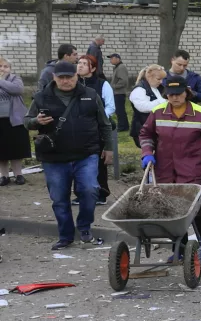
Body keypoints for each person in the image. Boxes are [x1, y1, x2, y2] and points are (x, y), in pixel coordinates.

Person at [25, 61, 113, 250]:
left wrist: (109, 148)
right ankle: (65, 236)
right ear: (54, 78)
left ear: (76, 76)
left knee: (89, 190)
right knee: (59, 198)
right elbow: (26, 121)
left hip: (86, 154)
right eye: (61, 77)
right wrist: (35, 120)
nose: (65, 81)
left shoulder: (90, 95)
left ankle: (84, 228)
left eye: (69, 77)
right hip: (54, 157)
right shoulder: (42, 97)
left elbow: (104, 124)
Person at [140, 77, 201, 248]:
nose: (174, 98)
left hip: (193, 168)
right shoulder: (158, 112)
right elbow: (146, 134)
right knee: (171, 209)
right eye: (171, 95)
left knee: (190, 205)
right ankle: (180, 247)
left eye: (178, 94)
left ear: (186, 93)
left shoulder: (200, 113)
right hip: (165, 169)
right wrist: (147, 153)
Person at [75, 55, 115, 205]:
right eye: (79, 63)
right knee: (77, 161)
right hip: (77, 129)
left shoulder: (102, 84)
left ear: (93, 68)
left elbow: (110, 106)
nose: (80, 66)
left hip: (97, 127)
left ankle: (101, 193)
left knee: (98, 161)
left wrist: (99, 117)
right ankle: (80, 194)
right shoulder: (73, 83)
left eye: (85, 64)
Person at [0, 57, 31, 186]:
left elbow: (16, 90)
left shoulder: (15, 79)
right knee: (1, 151)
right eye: (0, 66)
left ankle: (19, 175)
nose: (2, 69)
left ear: (10, 68)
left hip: (15, 120)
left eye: (5, 66)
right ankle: (4, 176)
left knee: (16, 149)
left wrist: (0, 81)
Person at [129, 64, 166, 147]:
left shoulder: (157, 88)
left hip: (154, 128)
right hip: (143, 129)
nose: (161, 82)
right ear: (149, 77)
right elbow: (143, 107)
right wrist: (162, 102)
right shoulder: (139, 90)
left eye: (162, 79)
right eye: (158, 79)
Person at [108, 53, 130, 132]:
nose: (110, 60)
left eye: (112, 58)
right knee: (120, 110)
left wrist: (113, 86)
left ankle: (122, 126)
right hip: (117, 92)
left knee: (120, 110)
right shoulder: (117, 67)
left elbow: (123, 81)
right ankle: (124, 125)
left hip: (119, 92)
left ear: (118, 59)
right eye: (110, 59)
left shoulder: (121, 67)